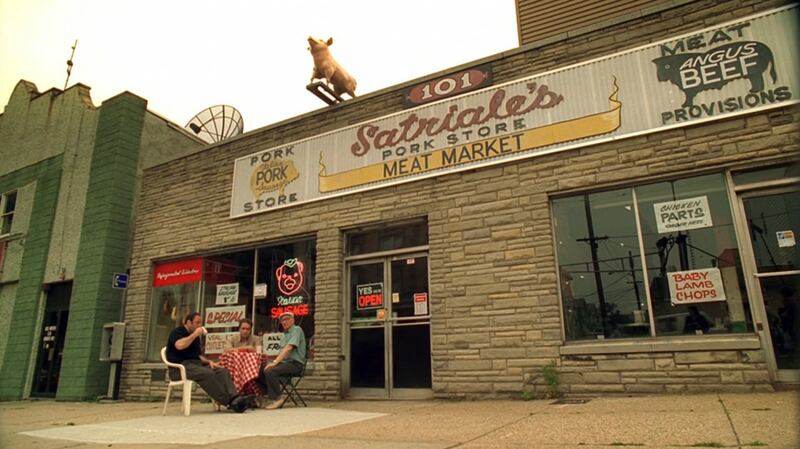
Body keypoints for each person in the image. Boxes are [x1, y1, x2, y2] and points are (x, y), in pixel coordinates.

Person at [166, 312, 253, 412]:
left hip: (195, 365)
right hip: (179, 368)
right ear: (189, 322)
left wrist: (209, 362)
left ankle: (235, 397)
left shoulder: (196, 338)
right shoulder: (177, 332)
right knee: (207, 374)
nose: (200, 325)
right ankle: (229, 402)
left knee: (222, 371)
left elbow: (198, 356)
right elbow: (180, 345)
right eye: (197, 323)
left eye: (201, 323)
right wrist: (194, 335)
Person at [256, 311, 306, 410]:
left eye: (287, 319)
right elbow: (281, 353)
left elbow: (288, 348)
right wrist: (272, 362)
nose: (284, 322)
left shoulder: (297, 330)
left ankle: (277, 398)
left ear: (293, 320)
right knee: (258, 371)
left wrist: (275, 362)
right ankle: (267, 396)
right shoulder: (284, 335)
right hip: (285, 363)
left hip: (296, 364)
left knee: (271, 371)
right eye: (282, 320)